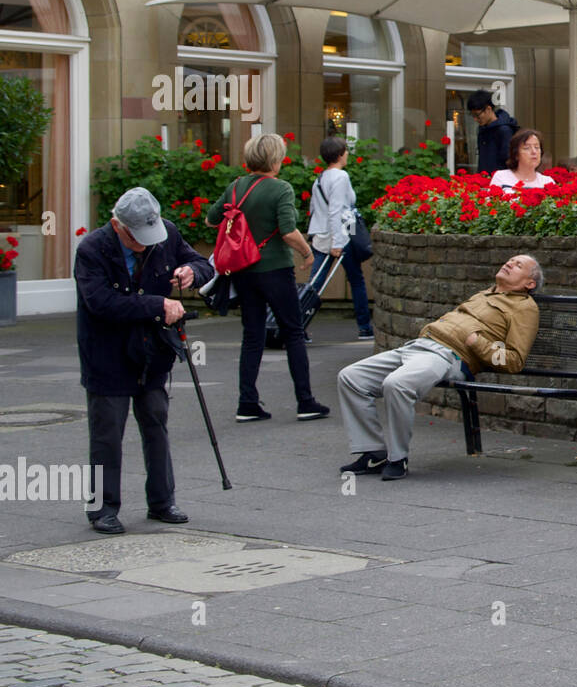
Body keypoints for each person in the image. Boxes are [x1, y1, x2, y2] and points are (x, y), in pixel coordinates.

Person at [75, 187, 214, 534]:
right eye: (138, 239)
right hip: (106, 355)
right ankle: (102, 509)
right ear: (118, 225)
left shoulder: (164, 234)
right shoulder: (92, 249)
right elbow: (101, 303)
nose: (147, 244)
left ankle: (162, 501)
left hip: (152, 351)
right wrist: (158, 305)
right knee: (106, 433)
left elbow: (202, 264)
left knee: (156, 424)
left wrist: (190, 272)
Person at [336, 255, 542, 480]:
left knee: (396, 384)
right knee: (350, 377)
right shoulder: (485, 294)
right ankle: (373, 452)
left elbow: (514, 361)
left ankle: (398, 459)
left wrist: (478, 343)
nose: (509, 263)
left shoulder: (525, 308)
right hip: (420, 345)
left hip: (448, 356)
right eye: (510, 260)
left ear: (529, 284)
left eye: (518, 265)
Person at [207, 133, 330, 423]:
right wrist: (307, 252)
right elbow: (288, 231)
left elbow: (211, 219)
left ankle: (247, 403)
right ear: (275, 159)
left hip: (244, 271)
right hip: (275, 269)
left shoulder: (236, 187)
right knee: (293, 332)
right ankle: (305, 401)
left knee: (252, 335)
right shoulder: (281, 189)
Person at [307, 136, 373, 340]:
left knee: (315, 284)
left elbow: (314, 209)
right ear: (339, 155)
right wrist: (337, 243)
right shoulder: (341, 177)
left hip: (321, 235)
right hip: (342, 235)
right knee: (356, 281)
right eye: (345, 151)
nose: (347, 154)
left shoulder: (320, 178)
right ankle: (364, 327)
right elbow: (336, 211)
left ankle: (298, 325)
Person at [468, 89, 518, 174]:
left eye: (477, 115)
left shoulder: (504, 131)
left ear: (488, 109)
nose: (475, 119)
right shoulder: (483, 129)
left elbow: (509, 162)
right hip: (484, 179)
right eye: (473, 115)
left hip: (499, 182)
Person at [490, 129, 555, 189]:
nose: (534, 151)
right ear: (516, 154)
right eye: (527, 148)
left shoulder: (547, 182)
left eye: (537, 147)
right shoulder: (501, 177)